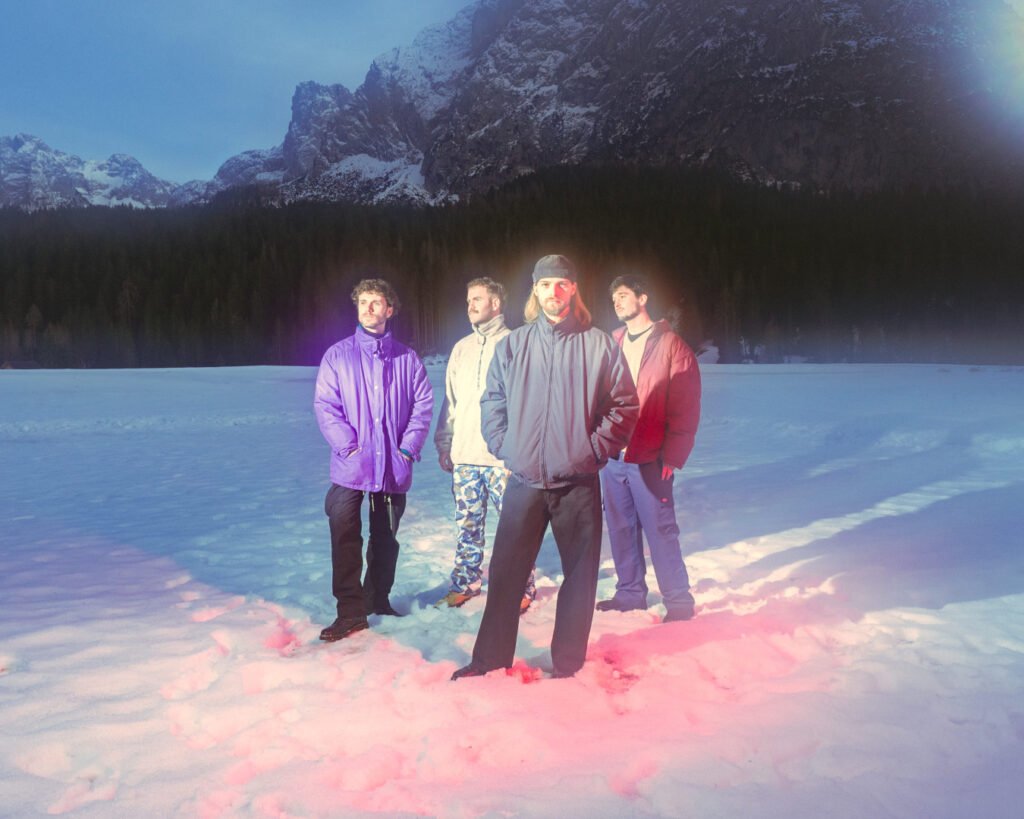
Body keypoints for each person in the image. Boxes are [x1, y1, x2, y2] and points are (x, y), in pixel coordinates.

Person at [452, 255, 638, 680]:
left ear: (573, 289)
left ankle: (569, 664)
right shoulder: (514, 346)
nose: (553, 292)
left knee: (578, 576)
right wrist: (506, 446)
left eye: (561, 284)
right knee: (505, 576)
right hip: (524, 480)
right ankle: (489, 661)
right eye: (545, 284)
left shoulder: (598, 345)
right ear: (534, 291)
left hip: (577, 482)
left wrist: (592, 451)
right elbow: (492, 401)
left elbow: (625, 405)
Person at [314, 278, 433, 641]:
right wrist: (348, 447)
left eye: (376, 302)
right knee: (344, 531)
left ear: (389, 309)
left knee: (386, 536)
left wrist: (407, 450)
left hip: (393, 467)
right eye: (363, 301)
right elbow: (326, 406)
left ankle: (376, 598)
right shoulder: (338, 355)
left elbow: (422, 406)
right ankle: (350, 612)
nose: (368, 308)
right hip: (352, 465)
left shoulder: (407, 359)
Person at [597, 275, 701, 622]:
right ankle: (630, 593)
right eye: (614, 298)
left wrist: (673, 454)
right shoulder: (613, 341)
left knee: (660, 529)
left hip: (650, 456)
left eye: (624, 295)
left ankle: (679, 602)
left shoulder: (671, 344)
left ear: (643, 297)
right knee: (621, 527)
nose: (618, 302)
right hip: (614, 457)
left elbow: (685, 404)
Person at [434, 278, 537, 612]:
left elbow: (528, 403)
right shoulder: (461, 348)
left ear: (496, 304)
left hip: (503, 459)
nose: (470, 306)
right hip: (465, 456)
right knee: (467, 526)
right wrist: (445, 442)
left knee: (515, 528)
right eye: (467, 300)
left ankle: (521, 588)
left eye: (477, 299)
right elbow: (450, 401)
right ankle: (465, 583)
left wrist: (519, 449)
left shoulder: (516, 344)